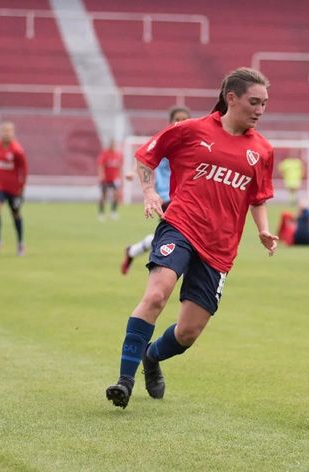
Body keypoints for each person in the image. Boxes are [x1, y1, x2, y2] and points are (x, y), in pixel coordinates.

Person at [106, 67, 279, 409]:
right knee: (156, 294)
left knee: (188, 333)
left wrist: (261, 229)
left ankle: (151, 358)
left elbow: (257, 196)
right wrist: (148, 191)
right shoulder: (192, 130)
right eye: (254, 102)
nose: (260, 110)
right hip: (181, 226)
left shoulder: (262, 150)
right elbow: (145, 157)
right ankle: (124, 382)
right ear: (232, 98)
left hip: (220, 247)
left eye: (265, 104)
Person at [121, 106, 191, 275]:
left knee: (173, 235)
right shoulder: (165, 140)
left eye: (184, 119)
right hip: (164, 197)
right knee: (184, 235)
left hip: (184, 196)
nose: (181, 122)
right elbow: (144, 156)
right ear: (170, 122)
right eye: (178, 119)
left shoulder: (192, 143)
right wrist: (132, 171)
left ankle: (133, 251)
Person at [0, 121, 28, 256]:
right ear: (0, 132)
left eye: (9, 131)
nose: (6, 133)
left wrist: (22, 188)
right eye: (4, 131)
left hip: (14, 188)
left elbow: (24, 170)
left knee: (15, 214)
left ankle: (20, 243)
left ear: (13, 133)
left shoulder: (17, 150)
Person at [96, 140, 123, 221]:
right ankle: (101, 213)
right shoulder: (105, 154)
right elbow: (100, 165)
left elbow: (119, 167)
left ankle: (113, 212)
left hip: (114, 179)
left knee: (116, 195)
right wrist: (101, 175)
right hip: (105, 179)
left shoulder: (118, 155)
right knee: (103, 196)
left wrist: (120, 177)